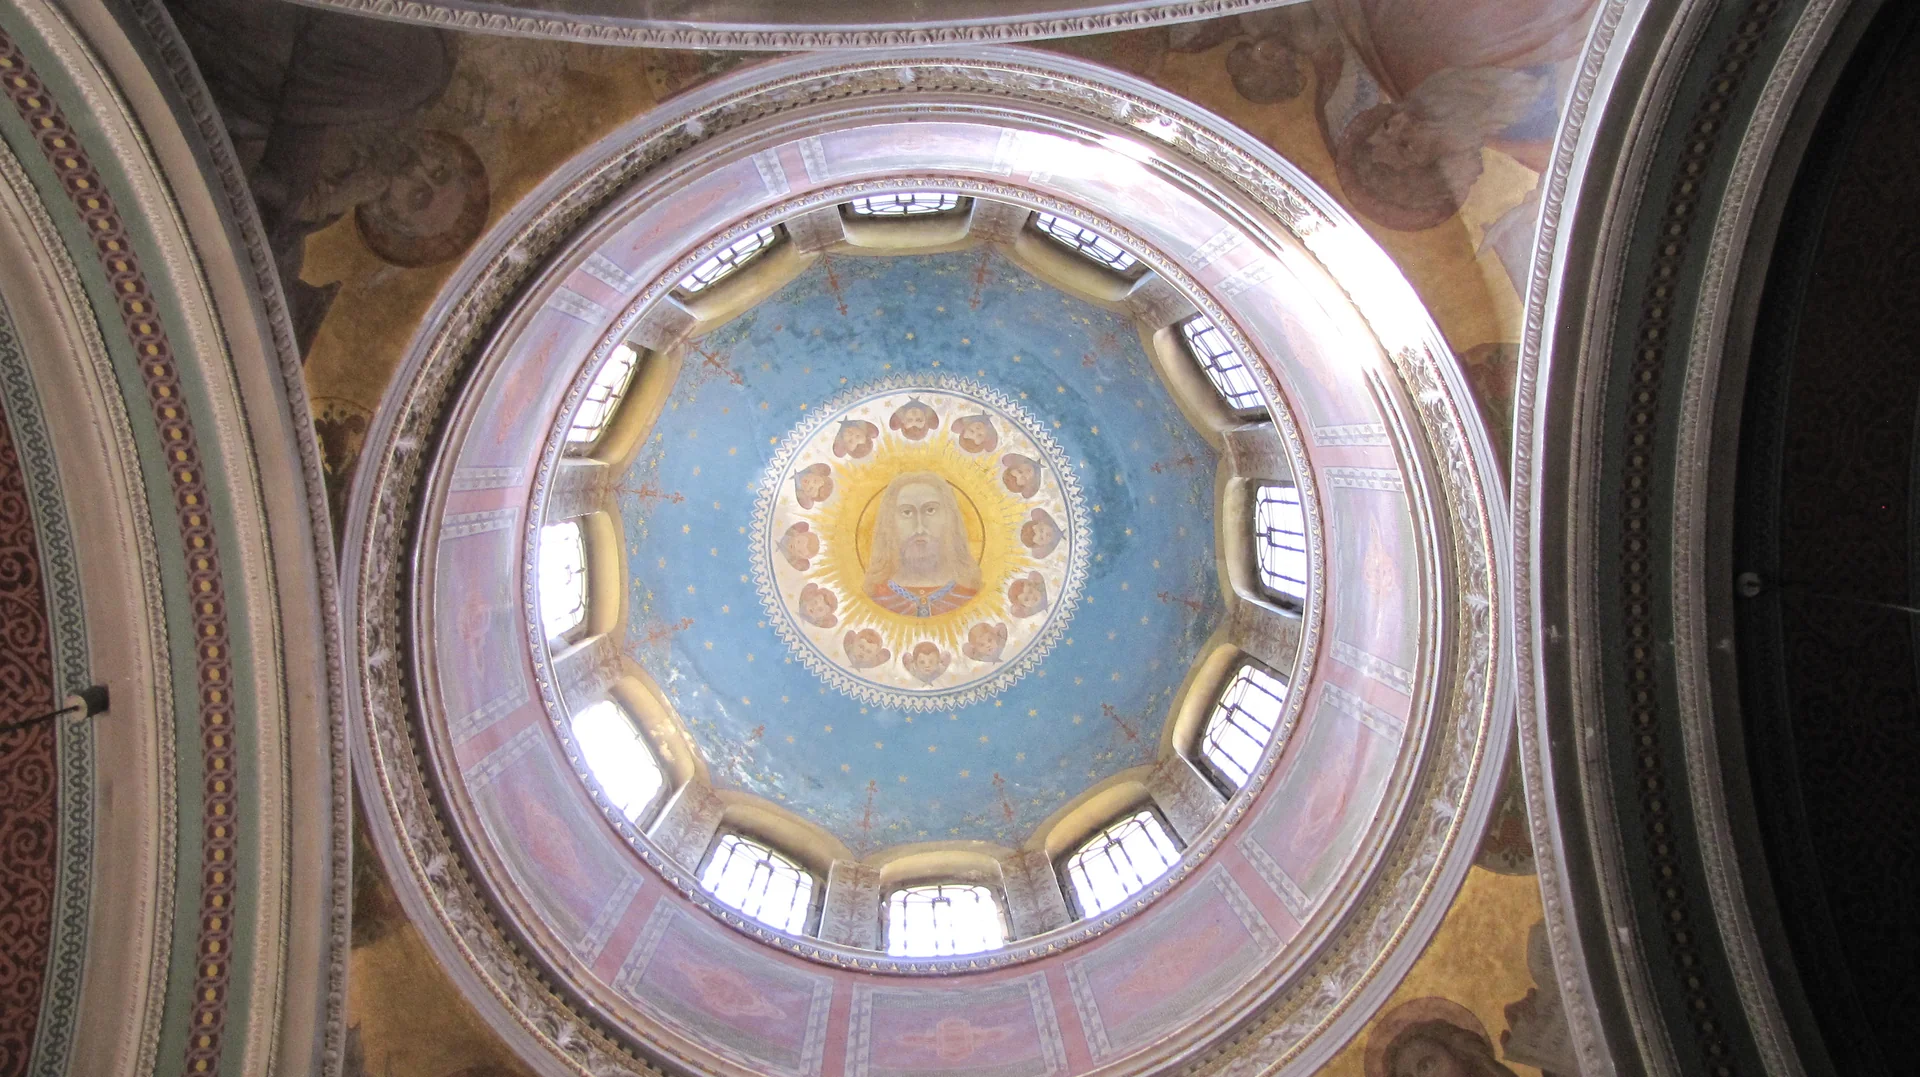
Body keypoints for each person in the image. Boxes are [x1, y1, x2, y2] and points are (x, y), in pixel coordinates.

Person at [864, 472, 981, 617]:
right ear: (889, 522)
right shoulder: (874, 597)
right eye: (906, 512)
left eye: (930, 510)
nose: (919, 528)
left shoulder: (970, 595)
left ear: (949, 519)